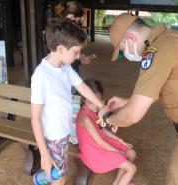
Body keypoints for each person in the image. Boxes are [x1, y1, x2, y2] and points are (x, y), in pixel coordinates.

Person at [99, 13, 178, 185]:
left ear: (130, 37)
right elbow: (177, 87)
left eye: (122, 49)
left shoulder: (156, 52)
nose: (126, 54)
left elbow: (133, 115)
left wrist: (108, 119)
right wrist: (129, 101)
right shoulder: (176, 37)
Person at [31, 18, 104, 185]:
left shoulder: (64, 67)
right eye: (76, 52)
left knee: (56, 173)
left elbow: (82, 87)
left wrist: (101, 106)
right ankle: (44, 177)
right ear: (61, 49)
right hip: (53, 137)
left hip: (62, 134)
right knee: (60, 177)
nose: (78, 56)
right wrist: (43, 153)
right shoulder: (42, 76)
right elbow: (35, 118)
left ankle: (43, 177)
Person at [76, 79, 136, 185]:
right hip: (94, 153)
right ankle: (122, 181)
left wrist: (121, 141)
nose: (96, 106)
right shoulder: (85, 118)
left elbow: (102, 129)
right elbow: (100, 143)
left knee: (132, 153)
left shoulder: (94, 111)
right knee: (132, 168)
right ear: (83, 98)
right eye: (91, 102)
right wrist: (118, 152)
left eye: (97, 101)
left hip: (102, 143)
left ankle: (118, 182)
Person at [54, 0, 96, 75]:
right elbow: (64, 59)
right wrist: (80, 60)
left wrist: (78, 55)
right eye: (78, 20)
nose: (78, 23)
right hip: (66, 72)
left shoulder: (57, 27)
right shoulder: (67, 32)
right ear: (73, 16)